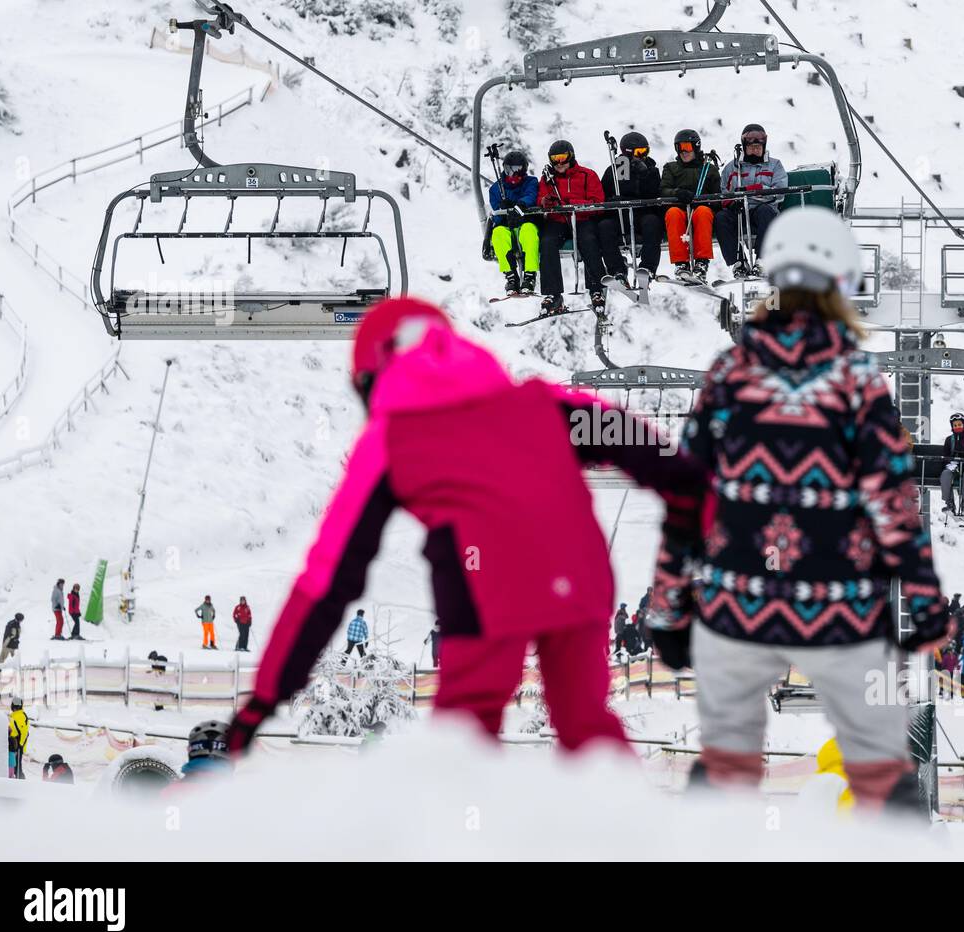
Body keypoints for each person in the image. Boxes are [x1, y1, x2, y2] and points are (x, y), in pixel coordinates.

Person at [223, 296, 706, 758]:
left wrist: (265, 697)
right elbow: (654, 456)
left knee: (466, 727)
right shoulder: (540, 403)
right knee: (585, 722)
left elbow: (330, 577)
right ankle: (625, 828)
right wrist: (693, 521)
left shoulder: (391, 439)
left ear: (374, 377)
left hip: (483, 586)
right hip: (581, 575)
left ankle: (461, 834)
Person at [645, 207, 950, 811]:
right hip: (838, 606)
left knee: (726, 757)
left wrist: (668, 607)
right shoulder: (856, 381)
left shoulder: (730, 374)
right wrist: (926, 604)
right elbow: (893, 501)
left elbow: (686, 500)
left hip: (738, 603)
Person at [536, 139, 607, 316]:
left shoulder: (587, 175)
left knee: (589, 240)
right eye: (555, 159)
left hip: (582, 219)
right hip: (558, 221)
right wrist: (546, 202)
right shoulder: (547, 179)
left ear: (571, 156)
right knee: (547, 242)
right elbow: (540, 200)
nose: (559, 163)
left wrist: (571, 203)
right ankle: (553, 293)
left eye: (563, 158)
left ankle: (596, 288)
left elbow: (598, 202)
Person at [713, 123, 787, 278]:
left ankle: (763, 260)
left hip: (763, 210)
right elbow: (724, 192)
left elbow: (779, 192)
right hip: (740, 211)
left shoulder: (775, 165)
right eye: (752, 147)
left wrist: (753, 190)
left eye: (758, 147)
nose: (755, 149)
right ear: (744, 146)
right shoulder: (732, 169)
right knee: (721, 218)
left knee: (766, 212)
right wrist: (732, 201)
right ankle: (738, 262)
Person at [598, 131, 663, 283]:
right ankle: (617, 270)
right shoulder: (615, 171)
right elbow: (603, 196)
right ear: (627, 152)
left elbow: (655, 193)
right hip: (620, 217)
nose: (643, 155)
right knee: (604, 226)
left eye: (646, 151)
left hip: (642, 214)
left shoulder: (651, 169)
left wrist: (645, 175)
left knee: (652, 222)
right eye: (639, 152)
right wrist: (613, 200)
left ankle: (647, 268)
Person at [659, 129, 721, 281]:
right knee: (673, 213)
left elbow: (718, 195)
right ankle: (681, 263)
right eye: (678, 148)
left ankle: (701, 263)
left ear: (696, 146)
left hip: (701, 211)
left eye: (686, 147)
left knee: (703, 212)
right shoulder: (671, 168)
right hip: (680, 210)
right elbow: (663, 190)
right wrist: (677, 193)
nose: (683, 152)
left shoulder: (709, 170)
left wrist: (707, 200)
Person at [488, 149, 540, 297]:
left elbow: (531, 195)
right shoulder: (496, 189)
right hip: (507, 227)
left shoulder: (531, 182)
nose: (513, 174)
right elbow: (496, 211)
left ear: (524, 170)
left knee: (529, 232)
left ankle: (529, 275)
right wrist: (502, 209)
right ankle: (511, 275)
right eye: (509, 170)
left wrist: (520, 205)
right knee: (498, 234)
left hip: (525, 223)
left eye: (518, 170)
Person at [939, 413, 964, 516]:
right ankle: (949, 503)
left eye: (959, 425)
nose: (957, 427)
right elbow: (945, 456)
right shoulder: (949, 440)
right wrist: (950, 464)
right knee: (945, 474)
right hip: (954, 468)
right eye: (955, 425)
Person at [8, 696, 28, 779]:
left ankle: (20, 781)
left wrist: (20, 744)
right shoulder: (14, 715)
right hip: (13, 744)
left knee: (17, 767)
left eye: (17, 706)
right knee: (13, 765)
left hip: (18, 745)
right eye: (14, 706)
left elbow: (24, 732)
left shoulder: (20, 716)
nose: (15, 708)